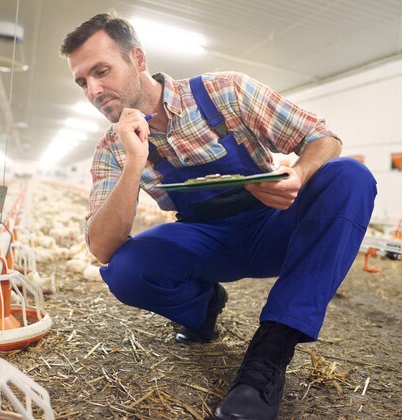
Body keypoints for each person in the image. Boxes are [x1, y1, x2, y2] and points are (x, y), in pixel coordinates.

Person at [60, 12, 376, 420]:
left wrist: (297, 174)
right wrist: (133, 162)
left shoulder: (224, 91)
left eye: (102, 71)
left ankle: (270, 353)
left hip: (274, 225)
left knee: (349, 175)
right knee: (126, 269)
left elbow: (322, 137)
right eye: (83, 81)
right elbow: (102, 247)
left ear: (137, 59)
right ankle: (203, 307)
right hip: (207, 242)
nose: (94, 89)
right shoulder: (111, 148)